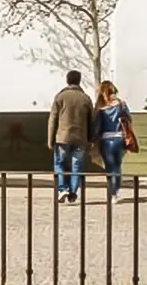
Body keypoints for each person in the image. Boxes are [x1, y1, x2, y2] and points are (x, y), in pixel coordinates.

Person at [47, 70, 95, 204]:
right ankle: (73, 192)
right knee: (77, 166)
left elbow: (53, 119)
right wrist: (91, 139)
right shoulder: (85, 98)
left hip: (62, 137)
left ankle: (63, 188)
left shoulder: (60, 97)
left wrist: (50, 139)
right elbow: (91, 121)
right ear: (79, 81)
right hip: (80, 138)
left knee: (59, 163)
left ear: (67, 80)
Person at [94, 80, 133, 205]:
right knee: (117, 166)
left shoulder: (101, 108)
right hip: (120, 138)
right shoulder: (122, 104)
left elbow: (97, 127)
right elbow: (129, 120)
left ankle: (113, 193)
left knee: (110, 168)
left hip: (106, 140)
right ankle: (116, 191)